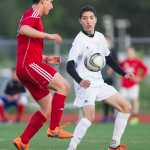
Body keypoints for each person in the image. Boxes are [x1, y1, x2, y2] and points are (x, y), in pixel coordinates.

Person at [66, 5, 133, 150]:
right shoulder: (79, 40)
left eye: (91, 18)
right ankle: (71, 147)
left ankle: (114, 146)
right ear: (80, 21)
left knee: (126, 107)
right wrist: (80, 81)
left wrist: (123, 73)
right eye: (84, 18)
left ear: (95, 20)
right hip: (85, 84)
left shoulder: (100, 37)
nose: (88, 21)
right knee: (90, 117)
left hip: (98, 82)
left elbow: (108, 58)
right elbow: (69, 66)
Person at [13, 0, 72, 149]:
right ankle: (54, 129)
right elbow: (23, 29)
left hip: (26, 66)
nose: (51, 6)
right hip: (30, 66)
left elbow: (26, 46)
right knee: (64, 86)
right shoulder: (33, 13)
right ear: (43, 1)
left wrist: (46, 58)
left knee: (47, 107)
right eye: (50, 2)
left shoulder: (33, 16)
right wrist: (49, 36)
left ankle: (23, 141)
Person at [119, 47, 148, 124]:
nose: (129, 54)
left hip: (133, 84)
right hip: (124, 85)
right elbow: (118, 69)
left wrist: (140, 78)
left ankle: (135, 117)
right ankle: (124, 117)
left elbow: (145, 69)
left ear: (134, 53)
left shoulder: (137, 61)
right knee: (123, 102)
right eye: (128, 52)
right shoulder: (124, 62)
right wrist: (120, 76)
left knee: (134, 100)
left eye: (131, 52)